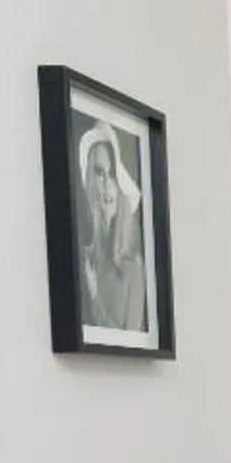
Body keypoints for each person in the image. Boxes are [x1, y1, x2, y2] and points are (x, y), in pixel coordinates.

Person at [77, 122, 151, 333]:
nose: (107, 183)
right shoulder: (81, 259)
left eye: (113, 175)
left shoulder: (134, 268)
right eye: (100, 172)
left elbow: (129, 341)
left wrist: (93, 295)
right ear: (90, 181)